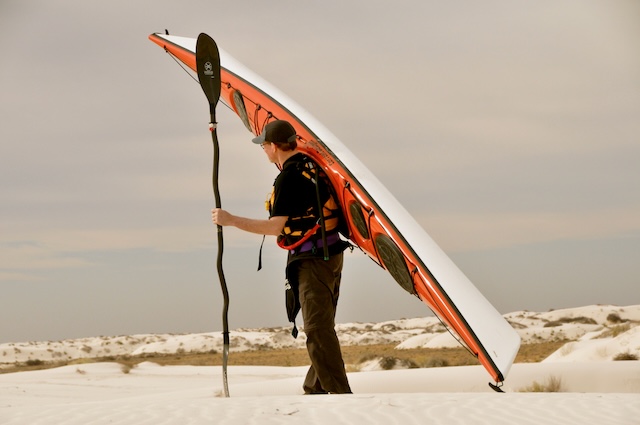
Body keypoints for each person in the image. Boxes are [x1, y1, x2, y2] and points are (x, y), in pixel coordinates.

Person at [211, 120, 352, 395]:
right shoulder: (309, 165)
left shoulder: (289, 177)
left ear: (274, 146)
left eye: (264, 145)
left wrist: (230, 220)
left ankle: (340, 396)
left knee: (317, 329)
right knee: (319, 326)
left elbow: (275, 227)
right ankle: (315, 389)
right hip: (328, 253)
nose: (263, 150)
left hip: (314, 258)